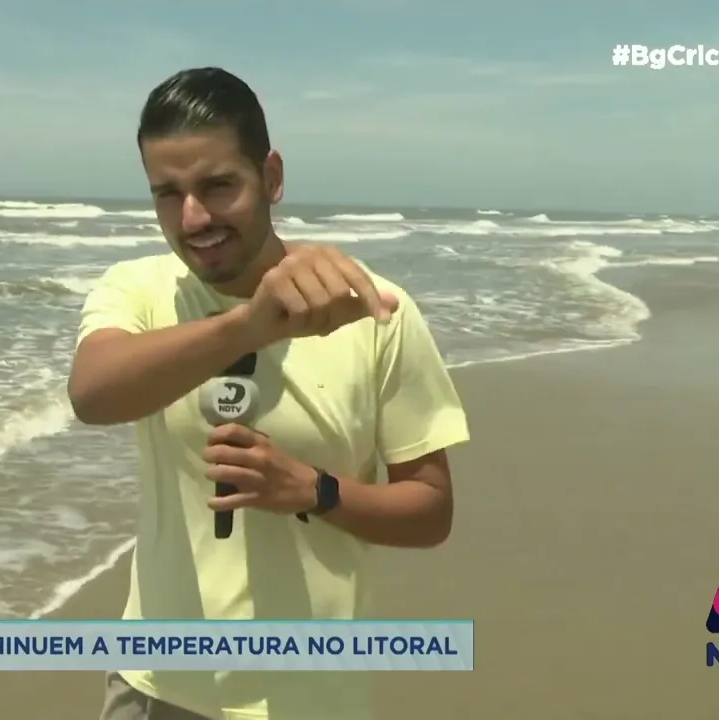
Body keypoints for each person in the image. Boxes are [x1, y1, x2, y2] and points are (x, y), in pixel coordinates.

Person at [69, 66, 469, 720]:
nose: (193, 218)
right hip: (156, 689)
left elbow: (430, 509)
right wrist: (247, 325)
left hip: (313, 698)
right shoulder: (139, 290)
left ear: (272, 176)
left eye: (217, 185)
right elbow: (93, 394)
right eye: (167, 193)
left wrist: (315, 492)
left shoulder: (374, 309)